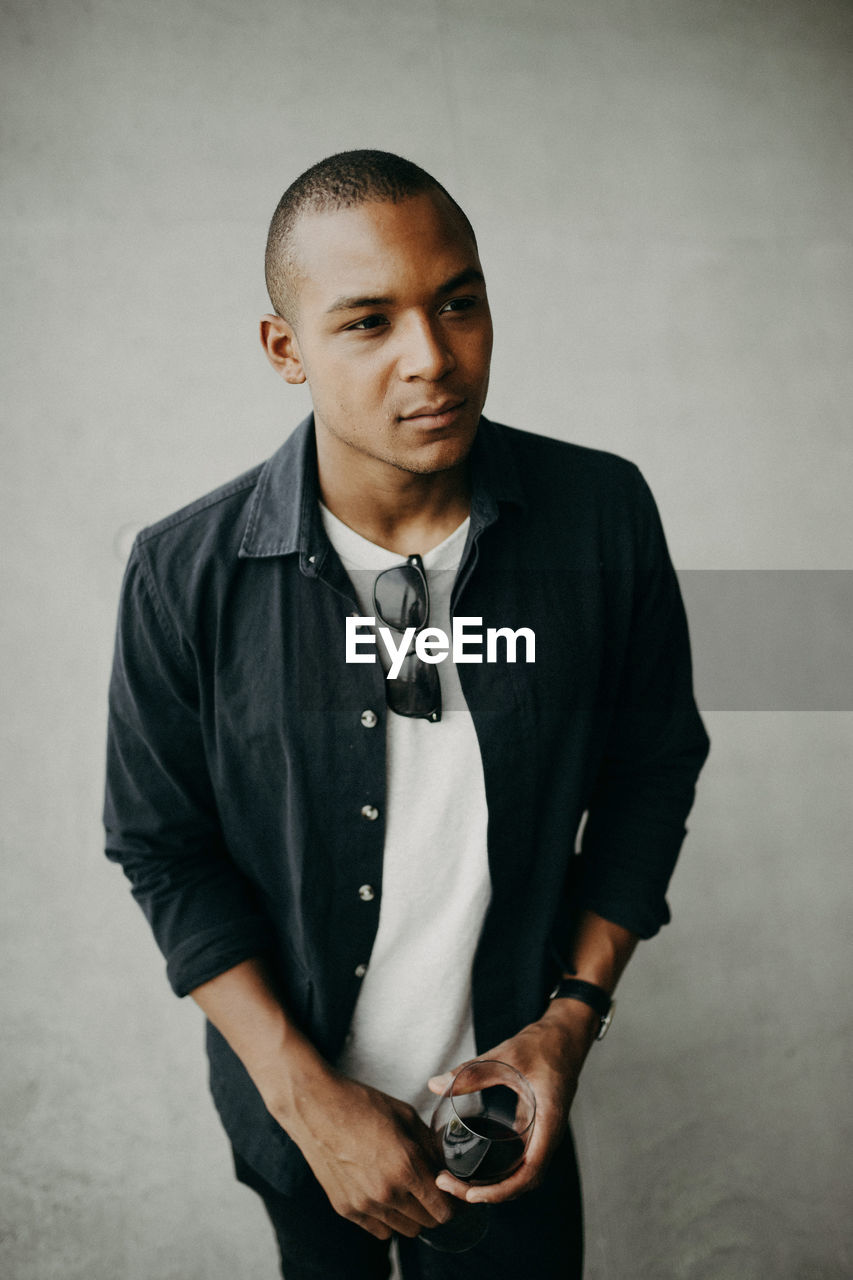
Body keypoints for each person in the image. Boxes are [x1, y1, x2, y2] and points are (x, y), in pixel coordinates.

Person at [104, 149, 709, 1279]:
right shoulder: (183, 572)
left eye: (458, 302)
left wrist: (569, 1021)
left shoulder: (600, 517)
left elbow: (651, 770)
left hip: (512, 1121)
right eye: (368, 322)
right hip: (294, 1122)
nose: (432, 359)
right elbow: (161, 845)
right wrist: (309, 1102)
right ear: (286, 349)